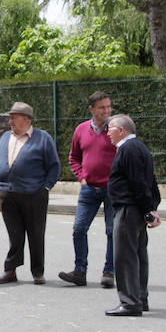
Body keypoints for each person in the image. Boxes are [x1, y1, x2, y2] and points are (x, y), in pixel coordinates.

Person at [0, 102, 60, 285]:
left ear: (26, 120)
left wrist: (45, 187)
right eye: (10, 117)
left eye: (14, 117)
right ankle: (10, 270)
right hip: (8, 193)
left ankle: (38, 271)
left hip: (34, 193)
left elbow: (53, 166)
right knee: (14, 235)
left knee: (36, 234)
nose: (10, 121)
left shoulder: (42, 138)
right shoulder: (5, 137)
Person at [105, 114, 161, 317]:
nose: (107, 133)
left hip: (128, 209)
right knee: (138, 255)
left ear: (121, 130)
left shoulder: (128, 149)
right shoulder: (139, 148)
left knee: (126, 256)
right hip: (136, 209)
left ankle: (130, 302)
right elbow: (150, 182)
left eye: (110, 129)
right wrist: (151, 208)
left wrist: (148, 209)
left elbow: (138, 183)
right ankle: (140, 298)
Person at [60, 92, 116, 288]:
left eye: (108, 107)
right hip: (89, 188)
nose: (106, 111)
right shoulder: (81, 130)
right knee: (79, 229)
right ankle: (80, 271)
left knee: (112, 231)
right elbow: (73, 157)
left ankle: (109, 272)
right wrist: (81, 178)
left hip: (112, 189)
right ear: (91, 109)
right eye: (102, 107)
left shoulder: (116, 129)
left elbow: (125, 153)